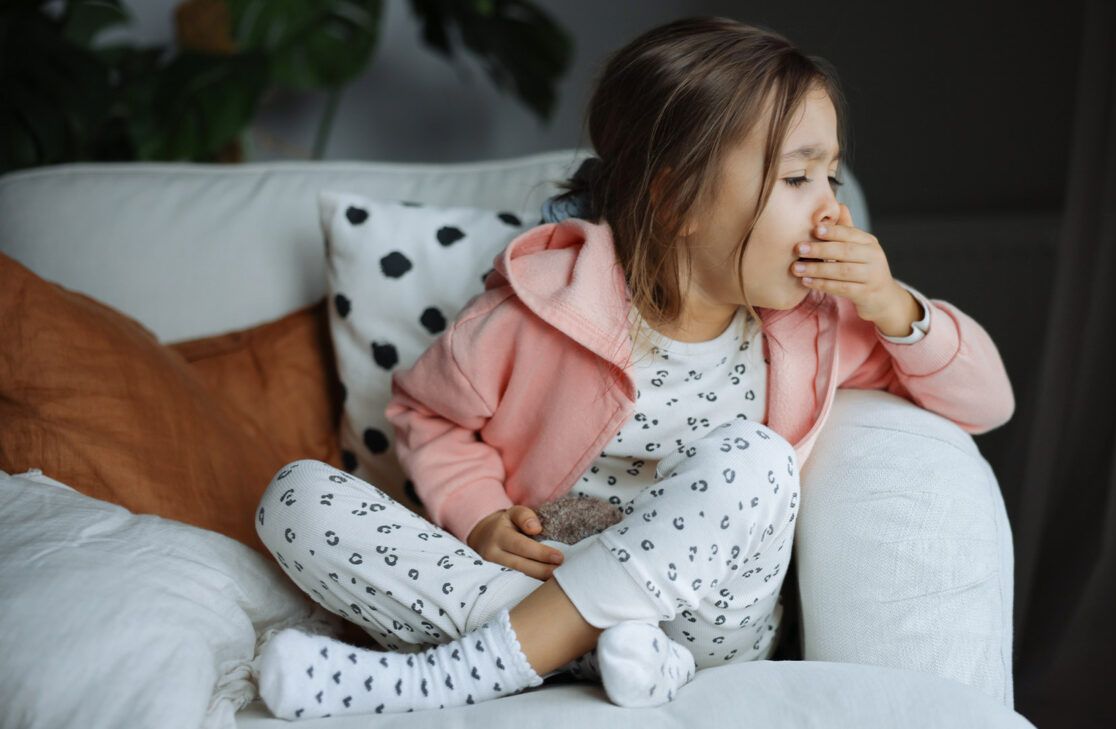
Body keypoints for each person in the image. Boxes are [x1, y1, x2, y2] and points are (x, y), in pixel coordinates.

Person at [252, 15, 1015, 720]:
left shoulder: (814, 324)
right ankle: (583, 652)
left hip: (704, 626)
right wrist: (478, 513)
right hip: (532, 585)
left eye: (832, 177)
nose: (831, 212)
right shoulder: (543, 305)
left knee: (759, 459)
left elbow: (988, 400)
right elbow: (429, 413)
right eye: (797, 178)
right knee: (295, 497)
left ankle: (463, 670)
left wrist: (891, 305)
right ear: (678, 196)